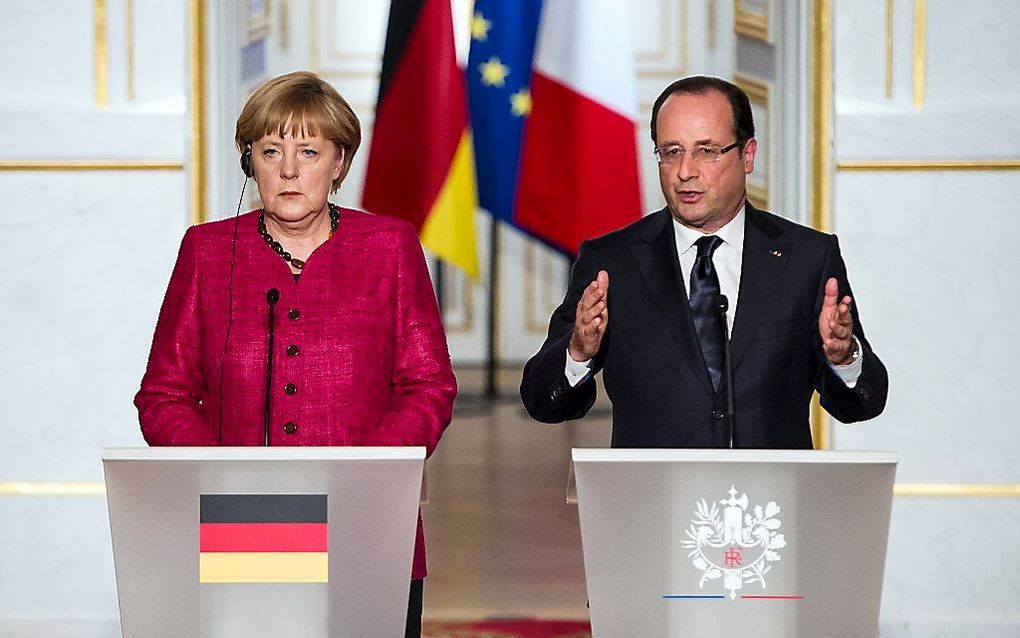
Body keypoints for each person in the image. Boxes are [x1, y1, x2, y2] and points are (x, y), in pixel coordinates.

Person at [134, 71, 455, 637]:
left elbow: (428, 386)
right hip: (243, 527)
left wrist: (362, 473)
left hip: (367, 521)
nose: (287, 169)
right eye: (270, 150)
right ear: (249, 163)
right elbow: (164, 395)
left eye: (308, 151)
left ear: (339, 164)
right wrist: (228, 474)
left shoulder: (389, 246)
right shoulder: (208, 252)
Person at [521, 76, 887, 448]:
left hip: (769, 499)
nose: (685, 171)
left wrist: (845, 357)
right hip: (653, 498)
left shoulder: (806, 258)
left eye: (707, 151)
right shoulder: (612, 263)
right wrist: (578, 351)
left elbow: (863, 403)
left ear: (747, 155)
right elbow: (542, 402)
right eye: (672, 151)